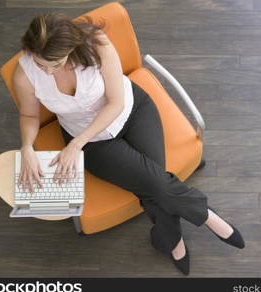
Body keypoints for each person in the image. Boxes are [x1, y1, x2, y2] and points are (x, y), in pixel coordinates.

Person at [13, 12, 245, 275]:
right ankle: (207, 218)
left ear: (70, 48)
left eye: (54, 64)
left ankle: (170, 240)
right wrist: (27, 146)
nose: (46, 71)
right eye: (40, 63)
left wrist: (76, 144)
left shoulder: (96, 44)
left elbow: (116, 103)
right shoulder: (25, 73)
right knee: (156, 183)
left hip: (131, 112)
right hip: (94, 142)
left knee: (154, 184)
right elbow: (29, 114)